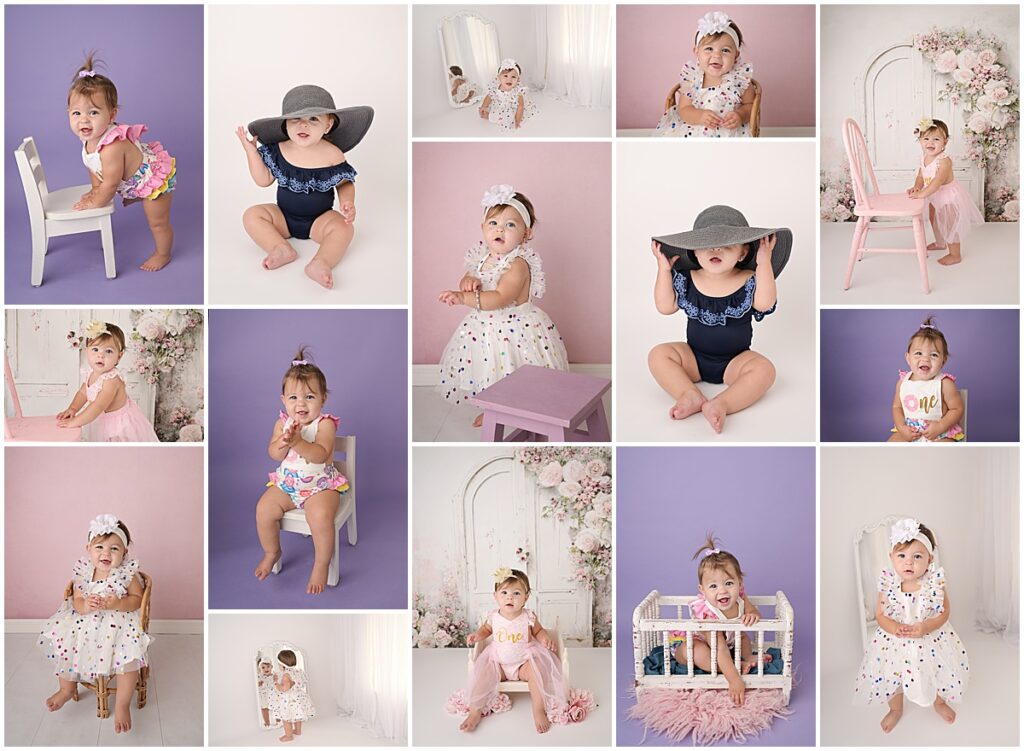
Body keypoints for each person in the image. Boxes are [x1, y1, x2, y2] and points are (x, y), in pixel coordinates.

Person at [648, 205, 790, 433]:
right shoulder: (688, 278)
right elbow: (665, 307)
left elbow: (764, 303)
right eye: (707, 245)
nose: (716, 249)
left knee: (765, 370)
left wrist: (764, 264)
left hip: (735, 361)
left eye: (727, 245)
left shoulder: (749, 278)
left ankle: (722, 403)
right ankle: (689, 394)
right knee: (658, 354)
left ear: (742, 253)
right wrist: (664, 271)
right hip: (693, 358)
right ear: (694, 251)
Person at [437, 184, 568, 426]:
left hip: (516, 330)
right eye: (494, 223)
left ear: (526, 234)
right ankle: (494, 409)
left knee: (516, 372)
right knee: (490, 370)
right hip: (484, 328)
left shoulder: (518, 263)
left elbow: (500, 297)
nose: (500, 230)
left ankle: (524, 409)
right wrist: (468, 281)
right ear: (483, 228)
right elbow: (470, 275)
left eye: (510, 225)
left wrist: (463, 298)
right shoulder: (482, 257)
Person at [238, 85, 373, 288]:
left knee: (344, 228)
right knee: (251, 215)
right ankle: (280, 247)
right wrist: (251, 152)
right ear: (285, 125)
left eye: (313, 119)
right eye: (296, 119)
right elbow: (263, 180)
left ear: (327, 126)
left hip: (319, 221)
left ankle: (321, 262)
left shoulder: (332, 154)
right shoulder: (278, 150)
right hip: (282, 217)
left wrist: (347, 203)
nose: (303, 125)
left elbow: (344, 182)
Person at [38, 514, 151, 734]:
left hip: (118, 624)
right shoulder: (84, 572)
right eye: (99, 547)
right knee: (66, 644)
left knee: (128, 657)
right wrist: (86, 605)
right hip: (85, 623)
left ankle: (121, 704)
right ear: (88, 548)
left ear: (125, 552)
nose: (106, 554)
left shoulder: (128, 574)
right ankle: (66, 689)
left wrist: (119, 602)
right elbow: (77, 602)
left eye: (115, 549)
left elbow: (137, 600)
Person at [854, 518, 969, 731]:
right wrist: (894, 627)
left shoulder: (934, 583)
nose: (909, 562)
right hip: (895, 642)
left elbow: (945, 612)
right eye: (902, 556)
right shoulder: (888, 583)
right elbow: (880, 614)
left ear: (929, 559)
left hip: (931, 639)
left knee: (937, 671)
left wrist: (926, 626)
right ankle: (895, 709)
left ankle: (940, 702)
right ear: (891, 557)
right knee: (892, 676)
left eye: (917, 556)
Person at [254, 348, 349, 594]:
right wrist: (283, 443)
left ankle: (321, 564)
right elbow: (273, 454)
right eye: (294, 398)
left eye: (309, 397)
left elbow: (321, 455)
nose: (301, 404)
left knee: (320, 518)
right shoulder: (281, 423)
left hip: (321, 485)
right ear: (283, 400)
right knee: (263, 510)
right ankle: (272, 551)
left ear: (323, 399)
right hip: (288, 484)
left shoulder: (325, 424)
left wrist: (297, 442)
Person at [68, 54, 176, 270]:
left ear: (111, 115)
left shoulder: (111, 148)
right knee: (107, 187)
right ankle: (136, 196)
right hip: (134, 176)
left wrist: (96, 201)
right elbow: (92, 166)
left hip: (156, 181)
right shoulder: (89, 139)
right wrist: (94, 189)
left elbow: (110, 183)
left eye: (94, 112)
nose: (84, 120)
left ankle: (163, 254)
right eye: (76, 113)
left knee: (157, 222)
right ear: (68, 114)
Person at [655, 11, 755, 137]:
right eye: (709, 49)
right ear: (697, 52)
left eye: (725, 50)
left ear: (736, 56)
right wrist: (700, 116)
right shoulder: (693, 80)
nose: (717, 55)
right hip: (696, 132)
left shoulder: (740, 80)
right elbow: (684, 109)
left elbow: (751, 106)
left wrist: (740, 115)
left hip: (729, 133)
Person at [56, 321, 159, 442]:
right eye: (95, 349)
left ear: (119, 356)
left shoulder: (112, 380)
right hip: (101, 420)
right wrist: (73, 409)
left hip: (119, 427)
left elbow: (98, 406)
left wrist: (75, 421)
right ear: (86, 351)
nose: (101, 356)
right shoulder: (90, 373)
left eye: (108, 351)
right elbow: (83, 393)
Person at [906, 118, 984, 266]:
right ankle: (940, 243)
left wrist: (922, 194)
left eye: (936, 139)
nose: (930, 143)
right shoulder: (924, 158)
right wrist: (917, 187)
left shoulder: (944, 160)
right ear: (920, 140)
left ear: (945, 142)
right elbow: (921, 175)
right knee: (934, 219)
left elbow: (938, 181)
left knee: (949, 224)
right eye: (926, 139)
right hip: (934, 195)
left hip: (948, 197)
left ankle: (955, 254)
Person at [888, 315, 965, 442]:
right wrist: (902, 428)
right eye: (918, 353)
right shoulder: (903, 382)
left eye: (934, 355)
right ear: (908, 358)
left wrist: (940, 426)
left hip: (939, 434)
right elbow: (897, 407)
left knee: (947, 449)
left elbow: (957, 409)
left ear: (943, 361)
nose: (925, 359)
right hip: (910, 432)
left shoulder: (944, 383)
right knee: (891, 445)